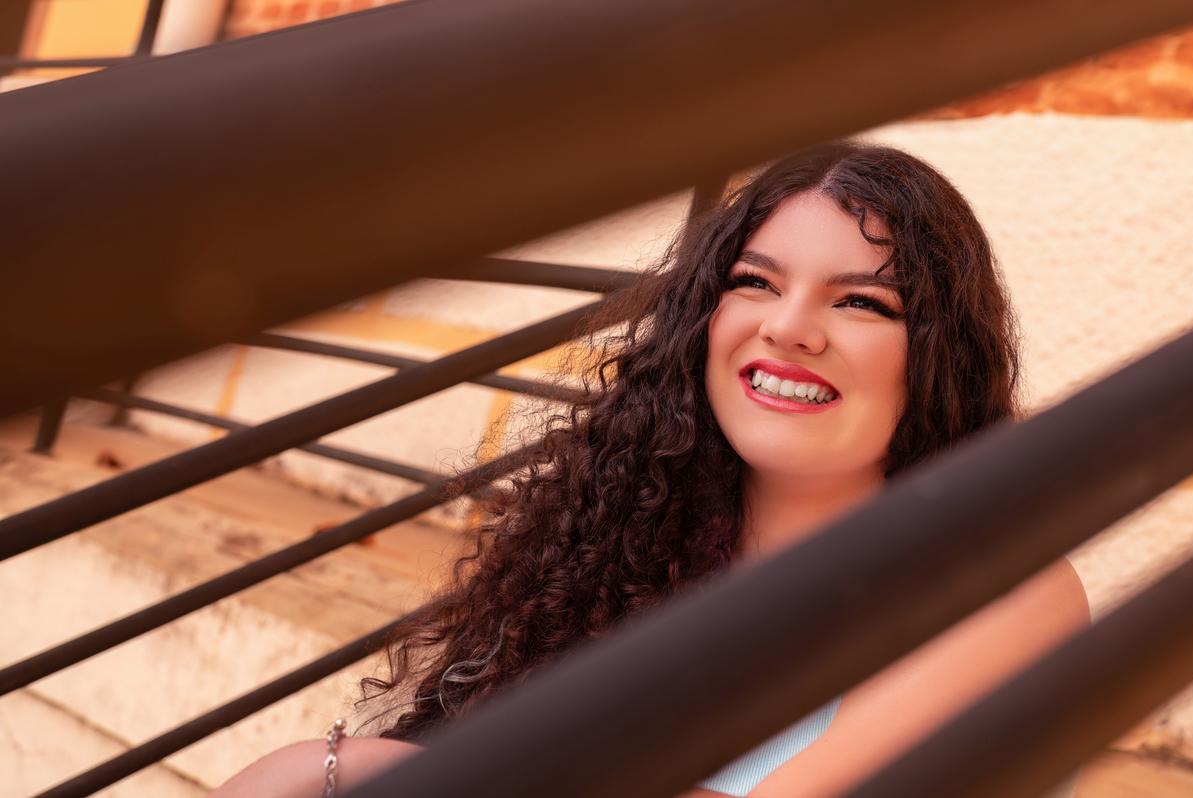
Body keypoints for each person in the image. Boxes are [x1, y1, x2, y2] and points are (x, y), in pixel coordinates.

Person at [211, 142, 1090, 798]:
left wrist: (338, 766)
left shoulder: (1008, 589)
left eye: (861, 300)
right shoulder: (626, 549)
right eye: (754, 282)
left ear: (939, 361)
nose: (788, 327)